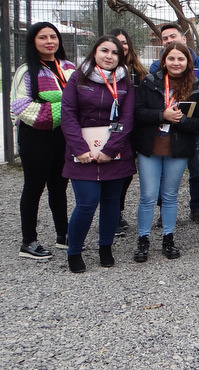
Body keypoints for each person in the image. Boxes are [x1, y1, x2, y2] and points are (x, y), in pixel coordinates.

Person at [61, 35, 136, 273]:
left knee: (112, 201)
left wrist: (110, 149)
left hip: (114, 151)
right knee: (86, 203)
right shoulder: (77, 77)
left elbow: (127, 118)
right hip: (82, 152)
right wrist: (80, 148)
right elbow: (68, 113)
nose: (109, 56)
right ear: (94, 53)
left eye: (115, 53)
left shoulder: (125, 81)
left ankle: (106, 247)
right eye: (104, 50)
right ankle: (74, 251)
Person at [132, 42, 199, 263]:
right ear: (164, 60)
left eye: (181, 59)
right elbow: (138, 113)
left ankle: (168, 238)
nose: (176, 63)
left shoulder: (198, 87)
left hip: (179, 148)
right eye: (171, 58)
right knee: (147, 196)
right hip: (150, 147)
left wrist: (181, 119)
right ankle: (143, 240)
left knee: (170, 195)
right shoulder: (150, 82)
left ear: (188, 62)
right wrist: (161, 116)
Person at [10, 22, 76, 259]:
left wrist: (60, 106)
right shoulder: (27, 71)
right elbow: (21, 106)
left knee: (59, 187)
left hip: (63, 135)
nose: (49, 41)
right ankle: (28, 242)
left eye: (53, 36)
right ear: (33, 42)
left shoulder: (68, 67)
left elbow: (79, 97)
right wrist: (64, 108)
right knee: (33, 188)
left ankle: (63, 235)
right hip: (35, 135)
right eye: (42, 37)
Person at [149, 23, 199, 225]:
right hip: (164, 127)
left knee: (197, 169)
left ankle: (197, 208)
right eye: (165, 38)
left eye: (172, 36)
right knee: (164, 173)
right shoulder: (155, 64)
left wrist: (174, 92)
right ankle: (164, 212)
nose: (169, 40)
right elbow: (153, 86)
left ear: (183, 39)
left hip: (191, 125)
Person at [112, 28, 148, 237]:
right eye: (116, 43)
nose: (121, 47)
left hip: (135, 130)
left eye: (124, 42)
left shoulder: (139, 71)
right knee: (113, 174)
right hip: (112, 130)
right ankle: (112, 215)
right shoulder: (101, 71)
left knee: (126, 174)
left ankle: (118, 211)